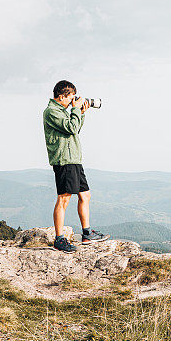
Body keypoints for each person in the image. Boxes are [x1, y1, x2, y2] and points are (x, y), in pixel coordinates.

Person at [43, 79, 107, 252]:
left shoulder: (63, 111)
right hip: (64, 160)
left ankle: (87, 234)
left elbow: (75, 128)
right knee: (63, 199)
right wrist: (75, 109)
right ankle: (59, 239)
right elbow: (71, 128)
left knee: (85, 195)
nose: (73, 100)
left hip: (74, 159)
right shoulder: (51, 112)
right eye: (71, 97)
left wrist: (81, 112)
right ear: (63, 95)